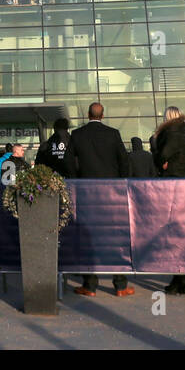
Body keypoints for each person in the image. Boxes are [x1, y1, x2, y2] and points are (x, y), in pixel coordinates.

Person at [71, 102, 133, 297]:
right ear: (103, 115)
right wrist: (122, 184)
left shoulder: (77, 135)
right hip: (112, 193)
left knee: (88, 237)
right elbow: (124, 160)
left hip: (87, 193)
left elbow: (69, 162)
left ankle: (89, 285)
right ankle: (120, 284)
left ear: (88, 114)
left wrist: (77, 179)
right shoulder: (113, 134)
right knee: (115, 237)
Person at [154, 106, 185, 295]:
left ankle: (180, 277)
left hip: (172, 187)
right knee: (182, 234)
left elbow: (162, 156)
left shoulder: (171, 135)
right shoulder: (183, 135)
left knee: (172, 236)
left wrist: (157, 147)